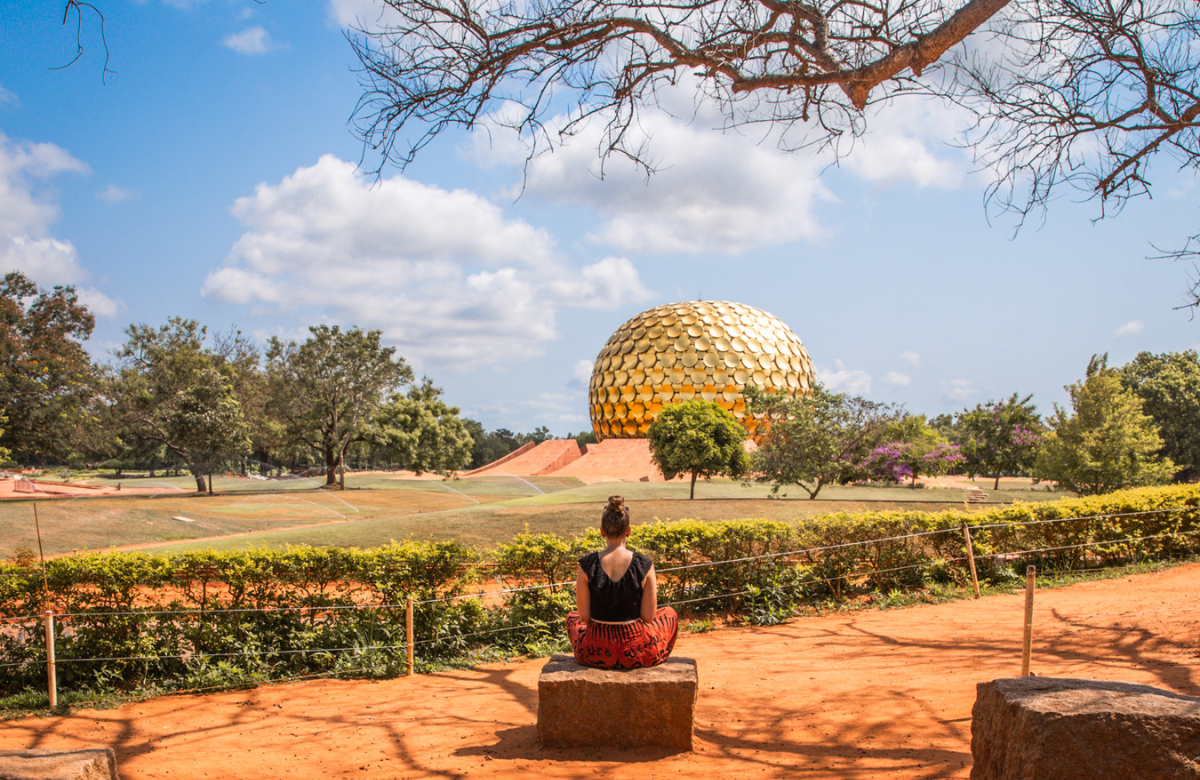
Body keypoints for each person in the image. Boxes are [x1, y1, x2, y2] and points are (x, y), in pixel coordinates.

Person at [566, 495, 679, 669]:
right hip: (635, 650)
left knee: (571, 618)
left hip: (594, 651)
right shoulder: (644, 564)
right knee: (669, 613)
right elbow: (648, 617)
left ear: (602, 531)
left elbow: (584, 617)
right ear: (628, 531)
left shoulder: (587, 565)